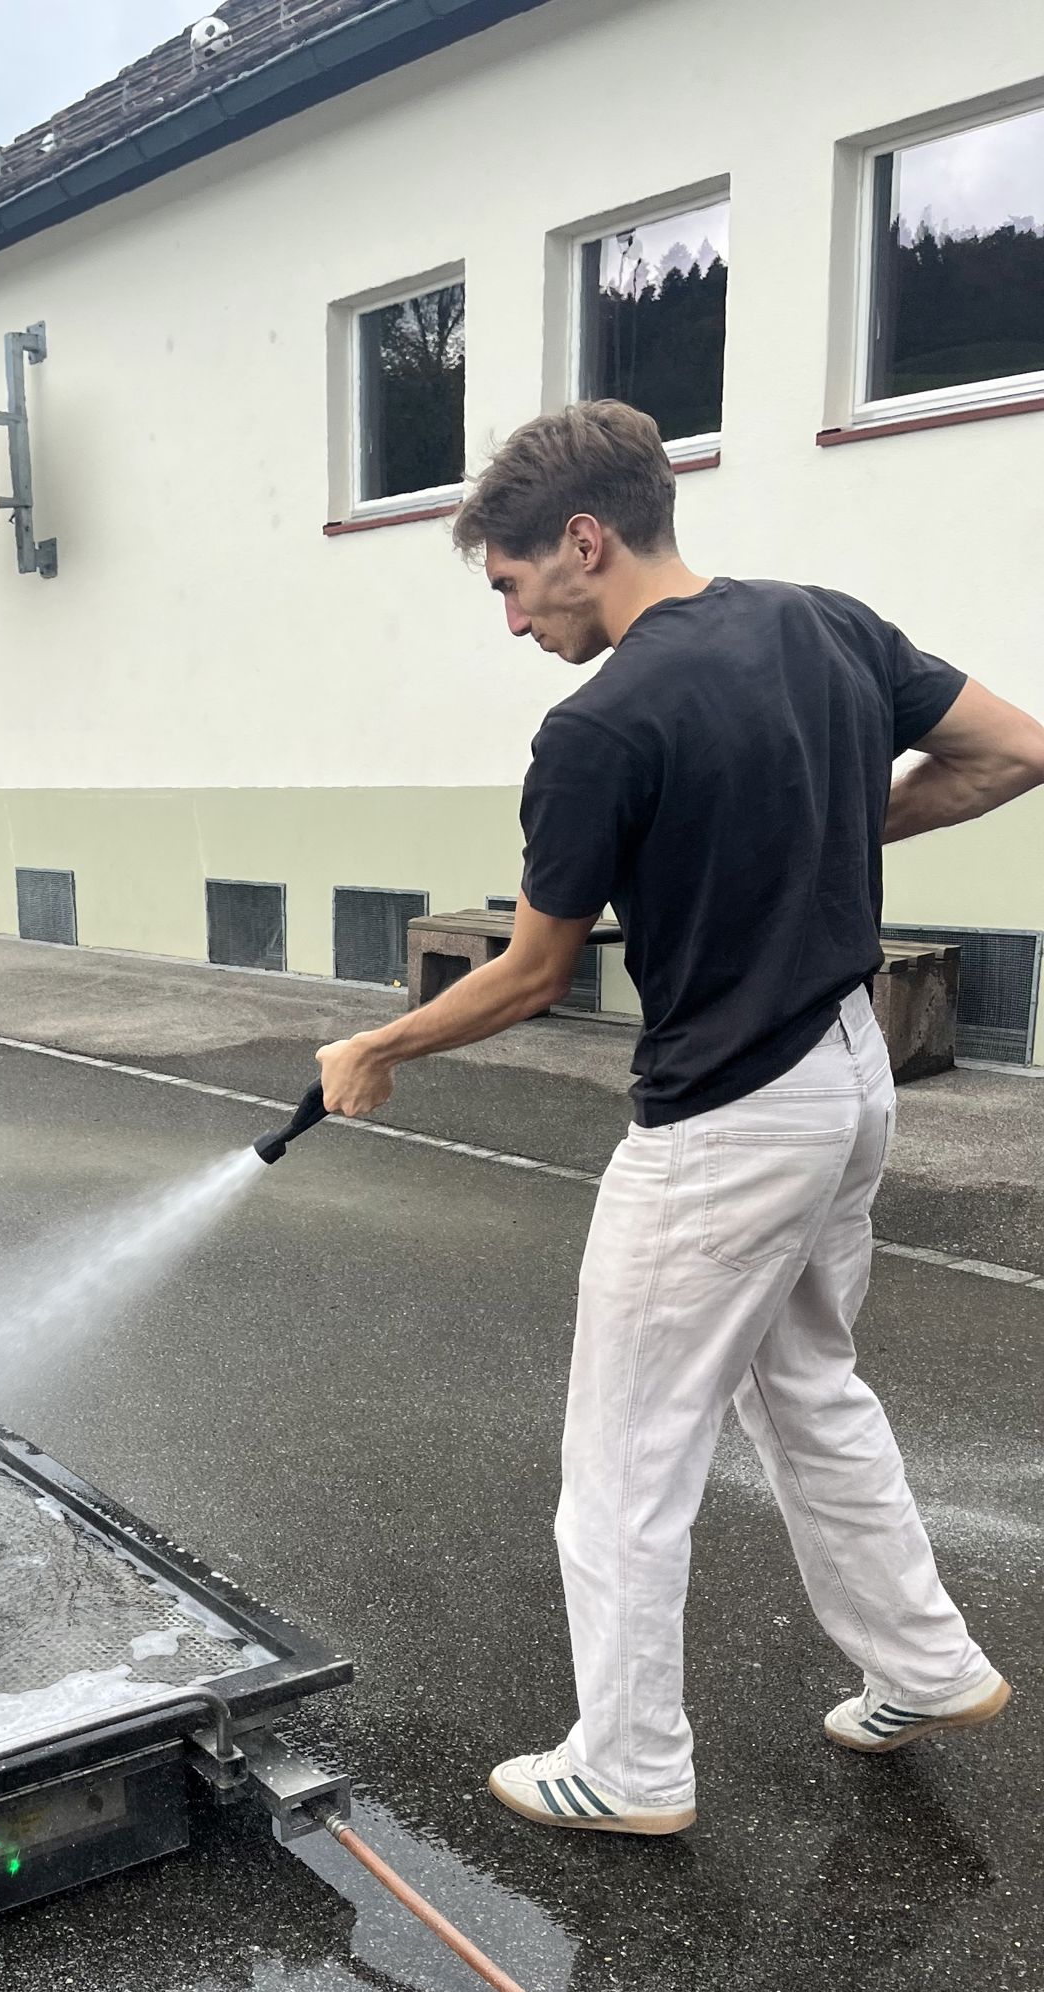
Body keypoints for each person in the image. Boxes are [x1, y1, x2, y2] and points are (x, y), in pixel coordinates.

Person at [317, 401, 1044, 1837]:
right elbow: (1016, 750)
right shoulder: (824, 624)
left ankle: (631, 1762)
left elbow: (533, 972)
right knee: (807, 1385)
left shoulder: (599, 726)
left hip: (729, 1122)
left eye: (513, 585)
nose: (513, 622)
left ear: (583, 541)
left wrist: (378, 1044)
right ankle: (925, 1662)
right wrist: (834, 820)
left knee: (625, 1457)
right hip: (849, 1074)